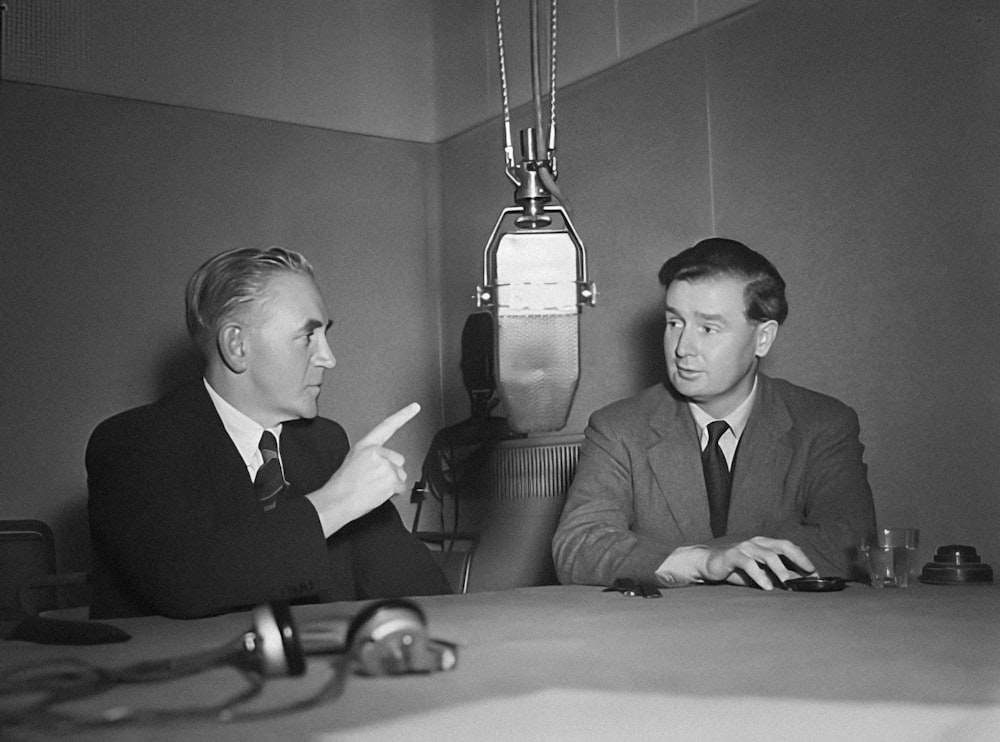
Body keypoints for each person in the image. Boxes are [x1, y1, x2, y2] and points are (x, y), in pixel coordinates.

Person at [87, 247, 451, 619]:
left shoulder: (324, 444)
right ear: (237, 346)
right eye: (308, 337)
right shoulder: (134, 442)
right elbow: (183, 581)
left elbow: (423, 592)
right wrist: (335, 502)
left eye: (325, 335)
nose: (329, 357)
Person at [552, 237, 876, 591]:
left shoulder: (822, 424)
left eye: (708, 328)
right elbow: (578, 546)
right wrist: (705, 562)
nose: (682, 348)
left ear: (763, 339)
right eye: (674, 323)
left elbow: (850, 544)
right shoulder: (618, 428)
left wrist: (719, 556)